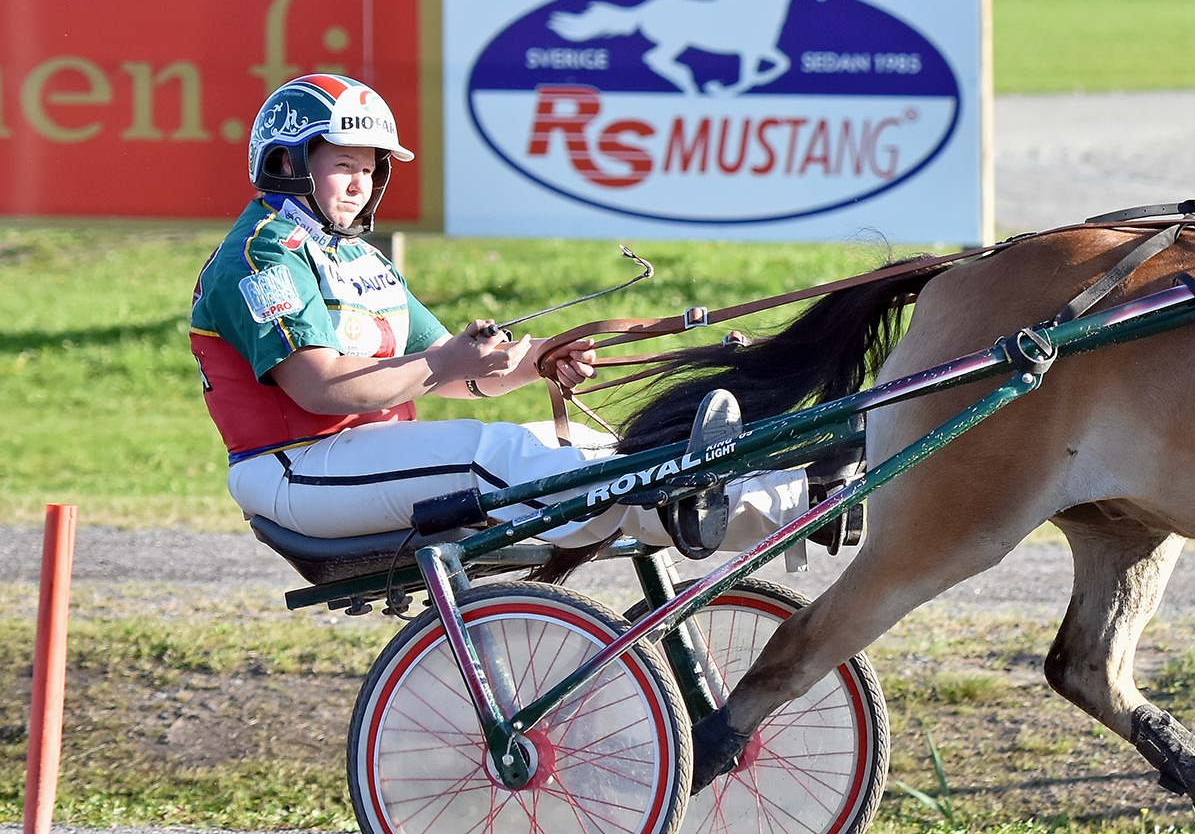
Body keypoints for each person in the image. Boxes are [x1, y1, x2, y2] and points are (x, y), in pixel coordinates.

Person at [193, 72, 798, 551]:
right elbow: (318, 387)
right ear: (288, 163)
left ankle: (788, 496)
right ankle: (705, 508)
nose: (361, 182)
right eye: (342, 164)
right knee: (493, 458)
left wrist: (538, 360)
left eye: (369, 166)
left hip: (363, 458)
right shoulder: (264, 253)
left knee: (585, 449)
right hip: (295, 469)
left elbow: (460, 371)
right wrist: (442, 361)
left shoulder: (356, 258)